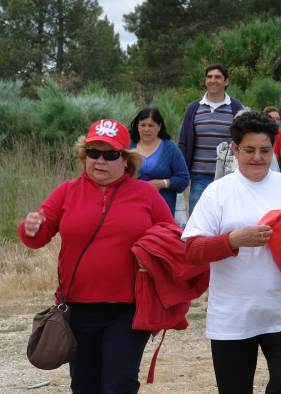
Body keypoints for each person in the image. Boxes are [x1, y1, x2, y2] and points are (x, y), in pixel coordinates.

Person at [19, 119, 175, 392]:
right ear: (84, 155)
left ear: (126, 160)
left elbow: (172, 236)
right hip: (77, 308)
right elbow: (38, 237)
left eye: (110, 154)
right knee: (84, 384)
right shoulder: (67, 191)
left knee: (120, 383)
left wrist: (155, 258)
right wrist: (31, 228)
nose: (100, 160)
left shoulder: (145, 195)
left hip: (129, 308)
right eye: (93, 153)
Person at [182, 111, 281, 394]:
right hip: (232, 317)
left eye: (265, 150)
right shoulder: (217, 193)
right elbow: (192, 250)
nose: (258, 157)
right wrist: (233, 240)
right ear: (234, 149)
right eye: (249, 150)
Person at [178, 63, 245, 214]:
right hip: (199, 175)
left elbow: (245, 139)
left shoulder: (236, 107)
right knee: (198, 218)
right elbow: (183, 142)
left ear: (226, 81)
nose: (213, 80)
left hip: (230, 175)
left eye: (217, 77)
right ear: (205, 80)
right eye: (209, 77)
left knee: (229, 216)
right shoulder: (193, 108)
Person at [130, 107, 190, 215]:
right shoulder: (128, 147)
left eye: (151, 125)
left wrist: (162, 183)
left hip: (162, 208)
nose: (146, 129)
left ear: (159, 127)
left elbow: (184, 179)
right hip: (132, 206)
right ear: (137, 127)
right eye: (143, 125)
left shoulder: (170, 148)